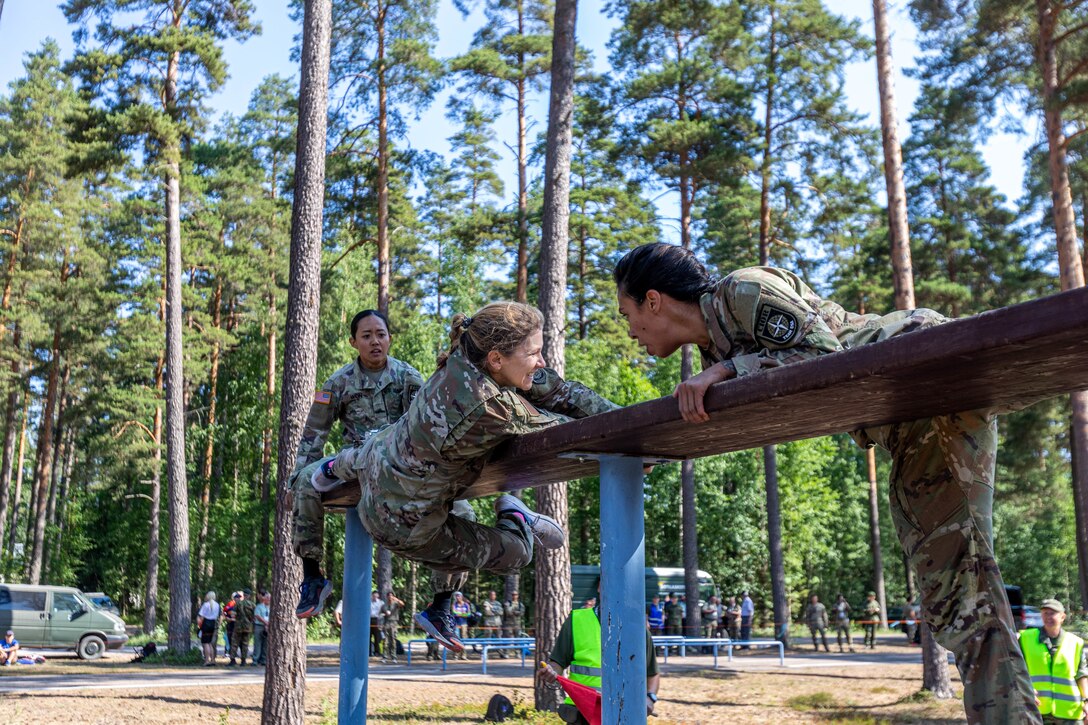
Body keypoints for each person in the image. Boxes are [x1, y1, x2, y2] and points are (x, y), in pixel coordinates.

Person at [613, 242, 1038, 723]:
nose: (630, 331)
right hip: (906, 423)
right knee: (952, 601)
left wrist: (728, 369)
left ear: (653, 300)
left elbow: (823, 354)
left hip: (928, 374)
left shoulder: (742, 291)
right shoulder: (717, 337)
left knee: (967, 599)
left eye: (627, 313)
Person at [305, 302, 616, 653]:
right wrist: (627, 429)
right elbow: (570, 430)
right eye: (534, 353)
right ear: (496, 359)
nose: (542, 361)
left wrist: (615, 413)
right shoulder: (489, 406)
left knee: (405, 467)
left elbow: (559, 389)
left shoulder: (461, 355)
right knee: (519, 552)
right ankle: (514, 514)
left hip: (377, 474)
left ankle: (334, 469)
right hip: (405, 528)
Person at [293, 309, 426, 618]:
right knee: (303, 481)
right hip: (351, 462)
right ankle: (313, 576)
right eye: (366, 336)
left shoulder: (408, 378)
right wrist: (296, 476)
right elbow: (314, 432)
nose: (375, 342)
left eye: (380, 334)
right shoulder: (338, 382)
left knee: (453, 499)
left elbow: (424, 430)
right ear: (354, 342)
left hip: (396, 463)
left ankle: (441, 604)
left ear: (390, 338)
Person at [540, 588, 662, 724]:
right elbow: (557, 662)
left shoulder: (638, 628)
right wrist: (551, 671)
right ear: (599, 588)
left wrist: (650, 698)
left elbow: (652, 674)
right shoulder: (577, 620)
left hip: (624, 713)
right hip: (582, 713)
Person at [1017, 599, 1088, 723]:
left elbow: (1081, 675)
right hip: (1037, 709)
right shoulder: (1025, 638)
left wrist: (1086, 701)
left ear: (1062, 617)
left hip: (1069, 711)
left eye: (1053, 613)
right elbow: (1017, 669)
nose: (1048, 617)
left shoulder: (1076, 642)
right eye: (1045, 613)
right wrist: (1026, 691)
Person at [230, 589, 255, 666]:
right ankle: (243, 661)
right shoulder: (252, 605)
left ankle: (233, 660)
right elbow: (254, 617)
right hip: (248, 626)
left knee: (234, 643)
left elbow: (233, 615)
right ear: (250, 596)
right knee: (245, 644)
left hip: (238, 626)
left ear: (244, 595)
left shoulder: (238, 603)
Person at [196, 591, 221, 666]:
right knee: (210, 643)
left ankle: (207, 660)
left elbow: (200, 616)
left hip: (206, 624)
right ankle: (213, 660)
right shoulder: (217, 605)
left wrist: (199, 625)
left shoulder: (205, 605)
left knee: (205, 643)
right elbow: (219, 616)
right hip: (213, 623)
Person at [380, 591, 405, 664]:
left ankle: (394, 657)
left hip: (394, 623)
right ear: (387, 597)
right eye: (389, 596)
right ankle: (384, 657)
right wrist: (385, 613)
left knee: (393, 641)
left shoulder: (396, 604)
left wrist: (395, 599)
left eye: (391, 595)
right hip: (386, 623)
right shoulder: (384, 605)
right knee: (386, 641)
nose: (390, 597)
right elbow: (380, 614)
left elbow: (402, 604)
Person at [451, 592, 472, 660]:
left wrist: (459, 614)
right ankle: (456, 655)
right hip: (456, 624)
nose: (457, 598)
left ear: (462, 597)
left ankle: (464, 655)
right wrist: (463, 614)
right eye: (456, 596)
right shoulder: (454, 604)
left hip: (464, 624)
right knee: (456, 639)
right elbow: (454, 613)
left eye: (459, 596)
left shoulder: (466, 605)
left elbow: (468, 614)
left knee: (464, 639)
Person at [253, 591, 270, 666]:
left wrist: (268, 624)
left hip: (268, 627)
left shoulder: (271, 607)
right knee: (258, 643)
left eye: (270, 598)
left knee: (266, 644)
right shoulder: (259, 606)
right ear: (264, 598)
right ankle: (255, 660)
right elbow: (257, 616)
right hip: (259, 626)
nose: (269, 599)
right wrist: (265, 622)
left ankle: (264, 659)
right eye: (267, 597)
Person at [222, 592, 237, 658]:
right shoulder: (231, 603)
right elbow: (225, 611)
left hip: (235, 623)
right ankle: (228, 652)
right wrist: (227, 617)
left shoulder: (237, 604)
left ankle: (233, 652)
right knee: (229, 637)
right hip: (231, 623)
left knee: (234, 638)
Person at [370, 591, 384, 657]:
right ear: (371, 596)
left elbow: (384, 611)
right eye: (373, 596)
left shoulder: (381, 603)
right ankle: (369, 652)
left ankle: (377, 652)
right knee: (368, 637)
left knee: (377, 637)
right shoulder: (368, 601)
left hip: (377, 620)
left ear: (378, 596)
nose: (375, 597)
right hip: (369, 620)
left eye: (376, 596)